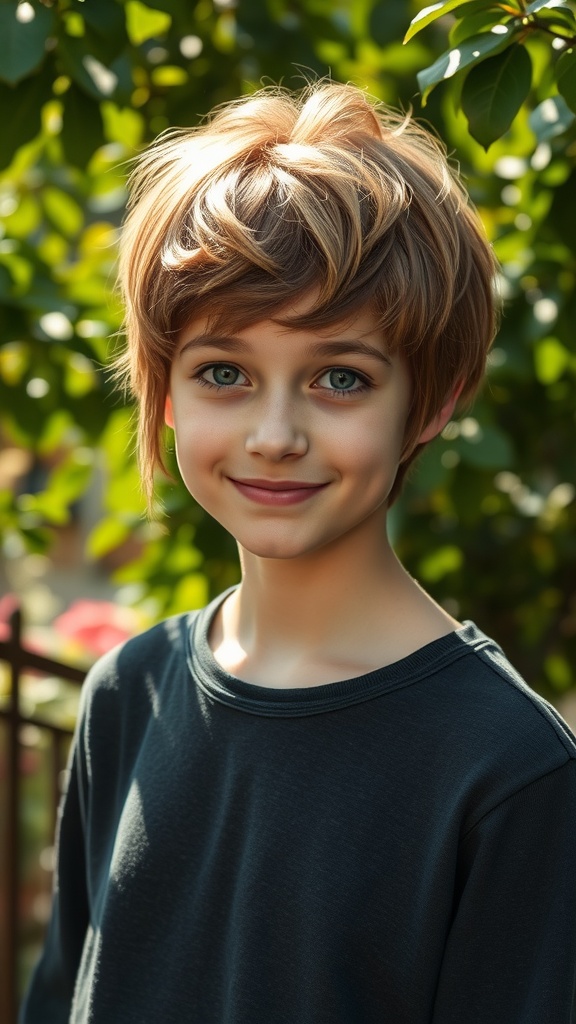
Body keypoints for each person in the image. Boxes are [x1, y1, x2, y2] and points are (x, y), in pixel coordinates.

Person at [21, 81, 576, 1024]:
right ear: (163, 393)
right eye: (224, 373)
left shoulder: (507, 770)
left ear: (433, 403)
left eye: (340, 377)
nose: (275, 435)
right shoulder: (128, 693)